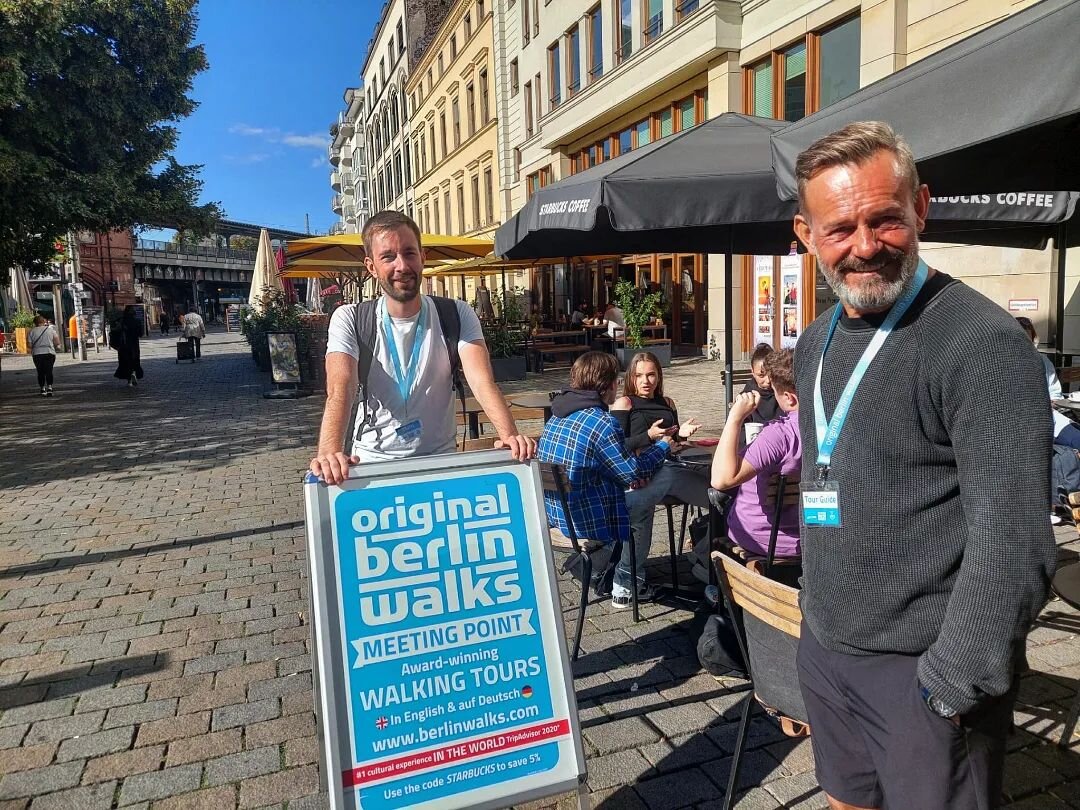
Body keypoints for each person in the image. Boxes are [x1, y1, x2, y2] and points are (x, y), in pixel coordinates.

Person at [790, 121, 1054, 810]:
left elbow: (1017, 542)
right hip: (828, 650)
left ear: (922, 208)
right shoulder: (815, 340)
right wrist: (815, 629)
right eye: (841, 228)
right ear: (805, 234)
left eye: (886, 219)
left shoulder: (979, 343)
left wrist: (950, 685)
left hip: (923, 674)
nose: (866, 245)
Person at [310, 211, 534, 484]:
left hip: (439, 462)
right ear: (371, 266)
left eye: (409, 253)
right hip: (372, 465)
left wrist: (509, 434)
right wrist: (329, 452)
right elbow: (340, 389)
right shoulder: (351, 318)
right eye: (388, 256)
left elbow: (482, 381)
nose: (402, 265)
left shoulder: (456, 313)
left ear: (423, 257)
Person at [538, 352, 673, 609]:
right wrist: (664, 447)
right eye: (617, 381)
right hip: (585, 523)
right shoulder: (601, 422)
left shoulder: (556, 415)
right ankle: (628, 583)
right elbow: (633, 472)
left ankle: (623, 575)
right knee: (660, 484)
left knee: (639, 491)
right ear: (608, 384)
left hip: (556, 517)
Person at [610, 351, 705, 600]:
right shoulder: (625, 404)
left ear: (659, 376)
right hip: (638, 475)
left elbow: (670, 441)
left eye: (651, 374)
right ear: (631, 377)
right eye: (639, 375)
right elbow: (615, 448)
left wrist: (682, 435)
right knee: (642, 509)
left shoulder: (668, 403)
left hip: (666, 468)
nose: (646, 381)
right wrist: (648, 438)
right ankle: (627, 580)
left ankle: (628, 582)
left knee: (708, 485)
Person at [710, 349, 800, 558]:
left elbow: (721, 479)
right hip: (816, 539)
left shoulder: (780, 436)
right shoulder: (836, 429)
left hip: (764, 540)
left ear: (789, 398)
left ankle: (713, 580)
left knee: (718, 501)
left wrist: (735, 418)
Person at [1016, 316, 1080, 450]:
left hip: (1051, 419)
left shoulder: (1043, 361)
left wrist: (1052, 401)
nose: (1025, 343)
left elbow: (1055, 393)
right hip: (1021, 425)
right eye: (1020, 338)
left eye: (1029, 339)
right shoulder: (999, 365)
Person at [741, 343, 782, 425]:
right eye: (761, 375)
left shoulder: (784, 393)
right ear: (752, 371)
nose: (768, 380)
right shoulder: (745, 398)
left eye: (771, 374)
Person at [28, 315, 61, 396]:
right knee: (49, 370)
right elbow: (57, 342)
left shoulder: (31, 331)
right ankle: (50, 388)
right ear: (43, 322)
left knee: (40, 372)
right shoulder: (50, 330)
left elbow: (29, 345)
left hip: (37, 353)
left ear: (35, 323)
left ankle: (42, 389)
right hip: (49, 352)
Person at [111, 305, 143, 387]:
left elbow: (115, 332)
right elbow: (140, 334)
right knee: (134, 360)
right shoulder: (137, 321)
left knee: (125, 362)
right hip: (134, 345)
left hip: (123, 345)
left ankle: (129, 380)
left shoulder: (121, 321)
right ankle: (133, 373)